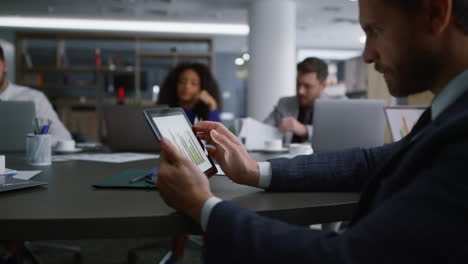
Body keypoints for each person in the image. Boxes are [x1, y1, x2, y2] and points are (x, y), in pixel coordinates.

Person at [156, 0, 468, 262]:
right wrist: (255, 170)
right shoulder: (449, 113)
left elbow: (347, 257)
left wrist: (203, 206)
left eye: (375, 30)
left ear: (436, 13)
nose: (367, 54)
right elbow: (369, 163)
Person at [0, 46, 72, 142]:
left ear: (5, 66)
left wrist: (36, 142)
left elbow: (63, 137)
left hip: (22, 156)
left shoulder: (34, 98)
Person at [264, 57, 329, 143]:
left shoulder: (336, 107)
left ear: (323, 85)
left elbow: (337, 134)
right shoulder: (284, 103)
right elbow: (263, 129)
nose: (300, 91)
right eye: (298, 84)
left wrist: (305, 130)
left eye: (307, 86)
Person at [157, 62, 222, 124]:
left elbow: (216, 133)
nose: (187, 86)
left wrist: (212, 105)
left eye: (194, 83)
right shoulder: (166, 111)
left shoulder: (204, 113)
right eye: (182, 81)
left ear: (202, 88)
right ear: (174, 84)